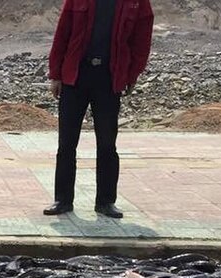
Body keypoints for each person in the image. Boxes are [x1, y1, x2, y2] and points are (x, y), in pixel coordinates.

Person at [44, 0, 154, 219]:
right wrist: (56, 74)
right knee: (66, 143)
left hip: (109, 78)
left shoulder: (137, 3)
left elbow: (142, 41)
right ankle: (63, 200)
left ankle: (106, 202)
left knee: (106, 144)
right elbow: (63, 31)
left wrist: (131, 75)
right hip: (75, 76)